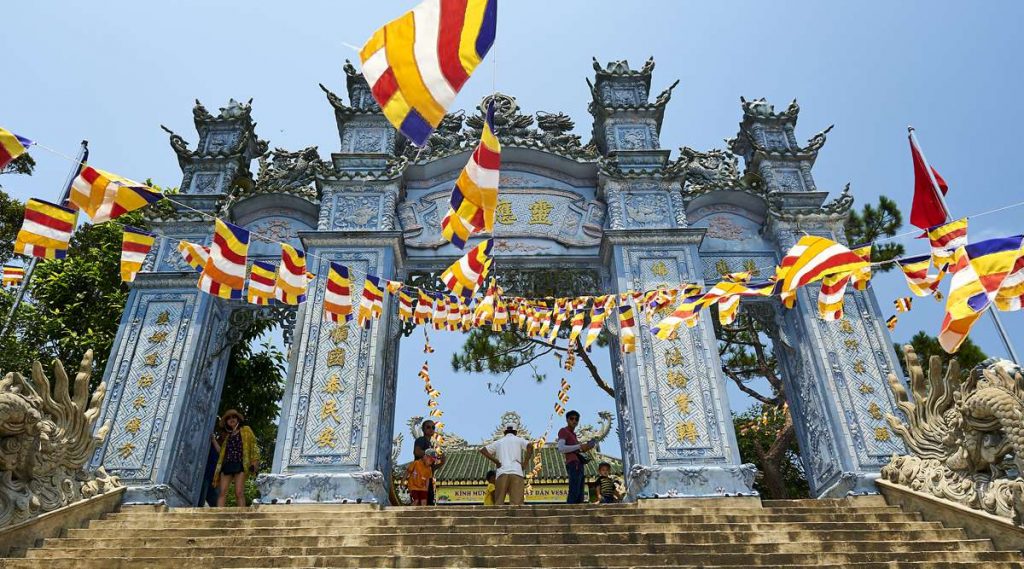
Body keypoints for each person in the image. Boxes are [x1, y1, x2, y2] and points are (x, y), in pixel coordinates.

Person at [214, 409, 260, 507]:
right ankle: (219, 514)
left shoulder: (246, 430)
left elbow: (254, 445)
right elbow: (221, 453)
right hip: (227, 464)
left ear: (238, 419)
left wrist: (254, 462)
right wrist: (213, 440)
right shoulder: (227, 437)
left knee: (239, 492)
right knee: (222, 492)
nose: (231, 419)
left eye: (233, 417)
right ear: (226, 422)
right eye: (228, 418)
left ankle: (242, 516)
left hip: (240, 463)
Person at [479, 423, 533, 506]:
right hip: (516, 472)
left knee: (499, 503)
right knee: (517, 504)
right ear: (515, 432)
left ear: (504, 432)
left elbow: (483, 450)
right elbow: (530, 446)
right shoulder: (518, 440)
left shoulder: (499, 442)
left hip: (502, 473)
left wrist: (496, 461)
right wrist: (525, 463)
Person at [557, 410, 594, 504]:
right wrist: (579, 446)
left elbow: (577, 449)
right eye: (571, 418)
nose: (574, 421)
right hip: (573, 464)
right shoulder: (563, 431)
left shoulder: (573, 435)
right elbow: (561, 448)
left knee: (580, 494)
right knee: (574, 491)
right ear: (567, 420)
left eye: (576, 419)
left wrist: (586, 447)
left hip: (579, 464)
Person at [413, 420, 446, 505]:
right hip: (420, 477)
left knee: (428, 502)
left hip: (428, 478)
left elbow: (431, 468)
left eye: (433, 427)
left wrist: (441, 463)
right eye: (428, 427)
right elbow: (417, 451)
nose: (431, 429)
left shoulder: (430, 445)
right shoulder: (421, 440)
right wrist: (432, 454)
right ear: (423, 429)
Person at [201, 423, 224, 507]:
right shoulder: (209, 442)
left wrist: (214, 441)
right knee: (201, 499)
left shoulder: (223, 445)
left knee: (215, 502)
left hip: (214, 477)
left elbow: (222, 453)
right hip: (206, 473)